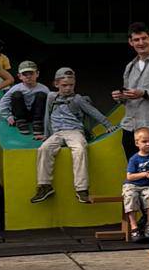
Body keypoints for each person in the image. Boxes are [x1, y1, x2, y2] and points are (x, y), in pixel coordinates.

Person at [29, 66, 108, 203]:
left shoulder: (77, 99)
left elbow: (93, 111)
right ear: (56, 84)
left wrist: (108, 125)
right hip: (57, 133)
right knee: (44, 149)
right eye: (64, 85)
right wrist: (46, 135)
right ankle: (45, 185)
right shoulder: (51, 97)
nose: (68, 88)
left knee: (79, 149)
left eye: (71, 85)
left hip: (74, 131)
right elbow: (47, 115)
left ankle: (81, 189)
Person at [121, 127, 149, 244]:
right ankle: (134, 227)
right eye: (144, 141)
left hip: (146, 186)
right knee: (130, 197)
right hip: (132, 185)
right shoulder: (134, 159)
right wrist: (145, 174)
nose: (148, 144)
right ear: (137, 143)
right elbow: (129, 176)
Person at [0, 60, 51, 135]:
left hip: (37, 114)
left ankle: (38, 122)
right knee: (16, 95)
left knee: (41, 95)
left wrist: (49, 118)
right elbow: (4, 102)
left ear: (37, 74)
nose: (28, 76)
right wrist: (8, 116)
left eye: (31, 73)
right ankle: (21, 121)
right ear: (19, 76)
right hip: (21, 113)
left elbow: (51, 104)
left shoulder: (44, 89)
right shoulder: (16, 88)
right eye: (25, 74)